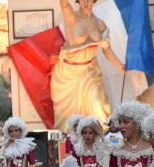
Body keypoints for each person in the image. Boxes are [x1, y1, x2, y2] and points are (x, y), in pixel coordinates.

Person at [51, 0, 127, 131]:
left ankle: (102, 145)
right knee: (68, 121)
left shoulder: (99, 23)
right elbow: (63, 3)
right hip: (68, 75)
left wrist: (119, 65)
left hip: (90, 70)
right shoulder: (71, 15)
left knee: (99, 107)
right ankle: (68, 147)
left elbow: (106, 49)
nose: (85, 2)